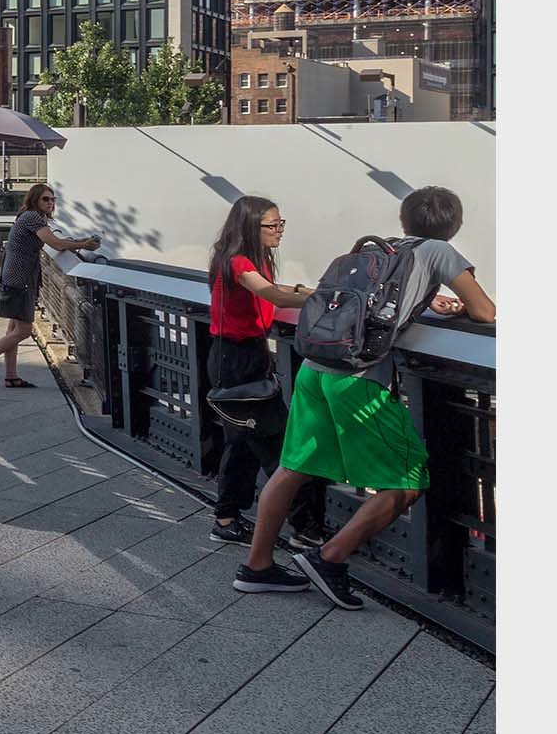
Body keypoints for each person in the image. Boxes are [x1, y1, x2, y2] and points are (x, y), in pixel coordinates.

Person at [236, 186, 495, 610]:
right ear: (455, 224)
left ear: (404, 221)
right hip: (357, 379)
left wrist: (430, 303)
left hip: (314, 369)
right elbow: (485, 311)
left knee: (292, 468)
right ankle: (328, 558)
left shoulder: (381, 249)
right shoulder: (440, 251)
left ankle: (256, 567)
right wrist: (461, 307)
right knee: (407, 480)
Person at [201, 196, 315, 544]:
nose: (279, 231)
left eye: (281, 223)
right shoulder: (237, 261)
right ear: (251, 226)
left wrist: (305, 291)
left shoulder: (249, 258)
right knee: (277, 443)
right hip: (236, 361)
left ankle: (226, 518)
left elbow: (274, 292)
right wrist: (325, 299)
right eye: (272, 225)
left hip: (241, 357)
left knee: (243, 441)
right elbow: (272, 296)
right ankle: (304, 528)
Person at [0, 183, 101, 387]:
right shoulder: (33, 217)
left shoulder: (30, 216)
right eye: (45, 199)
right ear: (35, 200)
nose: (50, 203)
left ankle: (11, 377)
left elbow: (55, 239)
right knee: (23, 330)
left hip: (14, 278)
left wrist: (78, 241)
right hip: (19, 281)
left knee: (13, 330)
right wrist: (84, 245)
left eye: (52, 199)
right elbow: (56, 244)